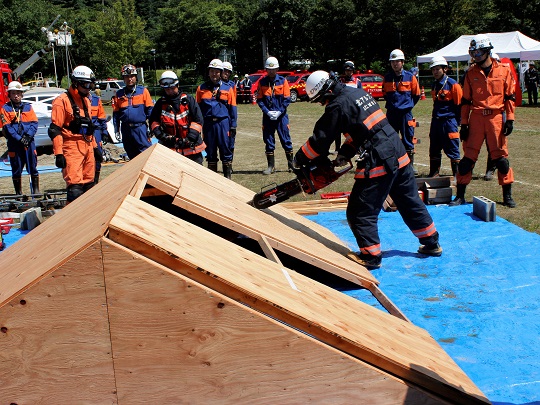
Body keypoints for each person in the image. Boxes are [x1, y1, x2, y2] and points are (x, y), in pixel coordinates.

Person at [295, 70, 442, 269]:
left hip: (379, 158)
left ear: (326, 93)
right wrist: (346, 152)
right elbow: (366, 128)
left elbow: (319, 142)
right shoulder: (357, 93)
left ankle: (371, 256)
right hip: (398, 152)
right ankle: (431, 242)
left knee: (359, 210)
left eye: (321, 100)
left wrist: (299, 158)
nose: (322, 104)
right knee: (408, 200)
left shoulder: (337, 106)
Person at [450, 34, 516, 208]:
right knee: (467, 160)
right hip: (477, 118)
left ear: (487, 51)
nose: (476, 56)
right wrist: (464, 123)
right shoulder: (470, 73)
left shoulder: (504, 70)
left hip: (496, 118)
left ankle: (507, 196)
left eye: (479, 52)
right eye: (473, 53)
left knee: (501, 159)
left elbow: (509, 96)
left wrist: (509, 119)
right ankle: (460, 195)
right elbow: (465, 101)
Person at [48, 65, 103, 203]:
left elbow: (89, 127)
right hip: (71, 147)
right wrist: (59, 153)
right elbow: (55, 129)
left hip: (87, 145)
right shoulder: (61, 101)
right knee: (75, 188)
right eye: (85, 84)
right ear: (76, 82)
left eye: (90, 84)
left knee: (90, 185)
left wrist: (95, 148)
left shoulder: (86, 101)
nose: (88, 88)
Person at [149, 71, 206, 164]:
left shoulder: (188, 100)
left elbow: (198, 121)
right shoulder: (161, 103)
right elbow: (154, 121)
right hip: (170, 148)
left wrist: (189, 138)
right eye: (167, 89)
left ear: (177, 85)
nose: (170, 91)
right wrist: (161, 136)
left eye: (172, 88)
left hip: (191, 148)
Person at [382, 49, 421, 175]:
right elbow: (385, 94)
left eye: (397, 61)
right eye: (392, 62)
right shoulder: (387, 78)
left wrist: (407, 106)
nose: (395, 64)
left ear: (402, 62)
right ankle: (392, 164)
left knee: (408, 139)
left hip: (406, 114)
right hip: (392, 114)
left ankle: (410, 165)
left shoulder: (411, 77)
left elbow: (416, 95)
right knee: (390, 139)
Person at [196, 59, 237, 178]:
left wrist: (233, 125)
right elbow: (197, 109)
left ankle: (227, 178)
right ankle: (213, 179)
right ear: (208, 72)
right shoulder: (201, 88)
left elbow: (232, 108)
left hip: (223, 123)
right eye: (212, 71)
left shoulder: (228, 88)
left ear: (221, 72)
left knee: (226, 150)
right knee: (210, 152)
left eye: (217, 72)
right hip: (208, 124)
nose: (214, 74)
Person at [0, 81, 39, 195]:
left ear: (22, 94)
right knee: (16, 168)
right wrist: (19, 138)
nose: (16, 95)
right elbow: (7, 127)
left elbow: (34, 123)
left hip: (29, 142)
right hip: (15, 144)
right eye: (13, 93)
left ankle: (36, 190)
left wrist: (28, 136)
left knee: (32, 165)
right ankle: (19, 193)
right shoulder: (5, 109)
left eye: (18, 93)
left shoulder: (28, 107)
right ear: (9, 95)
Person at [257, 56, 294, 175]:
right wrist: (267, 111)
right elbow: (259, 100)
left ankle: (291, 164)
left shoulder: (283, 81)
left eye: (273, 69)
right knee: (268, 141)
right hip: (268, 117)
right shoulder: (262, 82)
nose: (271, 71)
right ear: (266, 70)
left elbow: (287, 99)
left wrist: (279, 111)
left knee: (286, 140)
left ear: (277, 69)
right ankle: (270, 166)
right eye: (269, 69)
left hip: (281, 116)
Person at [427, 56, 462, 177]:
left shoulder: (453, 85)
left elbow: (459, 105)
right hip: (436, 122)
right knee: (434, 148)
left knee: (453, 149)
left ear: (445, 69)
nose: (435, 72)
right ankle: (434, 173)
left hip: (449, 122)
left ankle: (457, 176)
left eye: (437, 69)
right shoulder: (434, 85)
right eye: (433, 70)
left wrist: (458, 122)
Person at [112, 64, 154, 160]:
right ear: (123, 78)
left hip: (140, 128)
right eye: (126, 77)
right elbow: (116, 114)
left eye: (131, 76)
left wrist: (152, 127)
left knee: (146, 153)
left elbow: (150, 111)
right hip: (126, 129)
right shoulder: (119, 94)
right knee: (131, 153)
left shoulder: (143, 91)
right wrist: (116, 130)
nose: (129, 79)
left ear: (136, 77)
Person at [88, 88, 108, 183]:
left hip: (96, 131)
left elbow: (102, 117)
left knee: (98, 155)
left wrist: (104, 131)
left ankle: (95, 180)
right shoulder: (76, 100)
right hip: (83, 132)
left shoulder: (96, 100)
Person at [221, 61, 238, 168]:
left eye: (228, 72)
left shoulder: (231, 85)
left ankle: (229, 164)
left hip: (229, 117)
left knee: (230, 142)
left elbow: (233, 103)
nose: (226, 74)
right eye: (225, 71)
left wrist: (233, 122)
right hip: (220, 119)